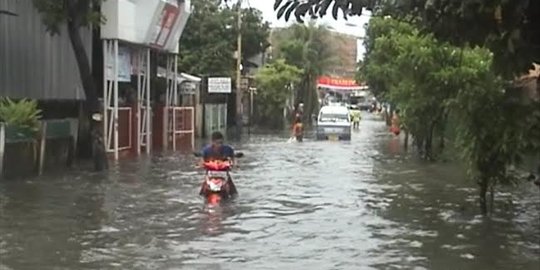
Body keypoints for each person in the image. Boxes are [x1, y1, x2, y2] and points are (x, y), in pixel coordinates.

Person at [199, 131, 238, 197]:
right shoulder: (206, 150)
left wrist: (234, 164)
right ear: (213, 142)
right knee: (202, 192)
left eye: (221, 143)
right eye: (217, 143)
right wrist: (201, 165)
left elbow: (233, 158)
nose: (219, 145)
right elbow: (202, 160)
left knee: (233, 193)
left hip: (224, 173)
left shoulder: (228, 149)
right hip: (211, 173)